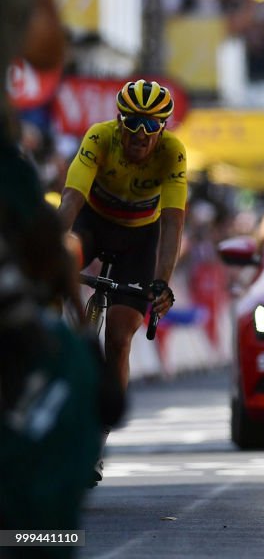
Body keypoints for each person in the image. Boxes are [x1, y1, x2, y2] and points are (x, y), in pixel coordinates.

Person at [56, 80, 186, 483]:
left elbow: (172, 224)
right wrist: (49, 258)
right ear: (119, 120)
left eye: (152, 126)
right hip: (92, 224)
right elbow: (70, 202)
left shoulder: (173, 153)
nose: (141, 135)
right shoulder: (100, 137)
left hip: (140, 240)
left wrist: (162, 283)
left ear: (163, 128)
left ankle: (97, 440)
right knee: (64, 253)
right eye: (133, 123)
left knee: (119, 336)